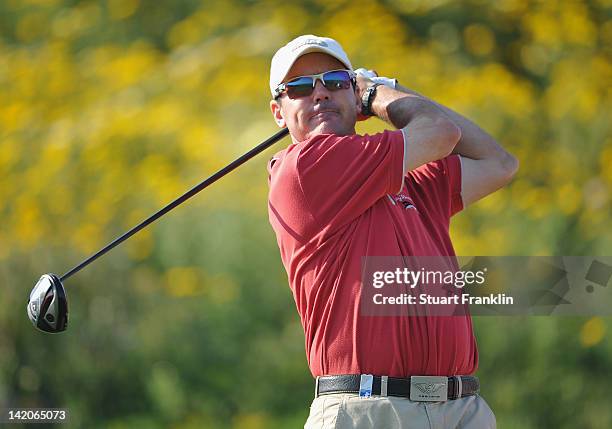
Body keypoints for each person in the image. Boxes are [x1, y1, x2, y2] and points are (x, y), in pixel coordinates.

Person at [266, 35, 518, 429]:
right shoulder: (304, 167)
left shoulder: (406, 178)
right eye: (299, 88)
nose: (319, 94)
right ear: (279, 113)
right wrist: (380, 96)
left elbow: (499, 162)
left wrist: (381, 95)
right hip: (367, 410)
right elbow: (440, 133)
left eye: (334, 82)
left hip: (460, 407)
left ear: (351, 94)